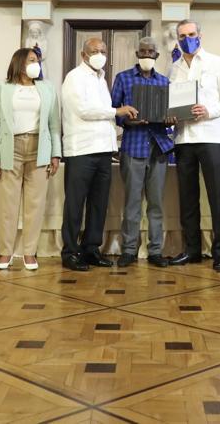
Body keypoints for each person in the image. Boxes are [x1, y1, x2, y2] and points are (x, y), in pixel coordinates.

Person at [61, 38, 138, 271]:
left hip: (104, 150)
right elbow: (84, 110)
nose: (100, 55)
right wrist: (117, 111)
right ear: (83, 55)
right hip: (81, 150)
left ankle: (91, 249)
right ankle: (70, 252)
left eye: (103, 51)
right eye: (95, 51)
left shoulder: (102, 78)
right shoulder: (74, 77)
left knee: (99, 204)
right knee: (75, 204)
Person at [168, 19, 220, 271]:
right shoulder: (174, 68)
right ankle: (192, 250)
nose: (187, 39)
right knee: (187, 198)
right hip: (183, 139)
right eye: (182, 36)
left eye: (191, 34)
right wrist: (169, 115)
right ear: (177, 39)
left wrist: (209, 111)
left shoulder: (216, 62)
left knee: (217, 196)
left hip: (210, 137)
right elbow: (171, 101)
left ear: (200, 35)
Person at [0, 47, 61, 271]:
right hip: (11, 148)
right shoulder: (1, 87)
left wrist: (55, 154)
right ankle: (6, 252)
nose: (35, 64)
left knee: (35, 205)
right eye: (31, 60)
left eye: (37, 60)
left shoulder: (47, 88)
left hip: (39, 148)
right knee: (7, 205)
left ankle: (29, 252)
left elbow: (54, 125)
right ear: (19, 63)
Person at [110, 37, 174, 267]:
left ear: (157, 55)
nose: (147, 55)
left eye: (150, 52)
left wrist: (170, 119)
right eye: (143, 51)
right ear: (137, 54)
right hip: (133, 145)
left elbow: (171, 113)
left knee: (156, 203)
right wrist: (127, 119)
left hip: (158, 147)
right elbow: (113, 111)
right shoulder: (123, 78)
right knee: (132, 202)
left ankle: (155, 250)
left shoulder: (165, 82)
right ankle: (129, 249)